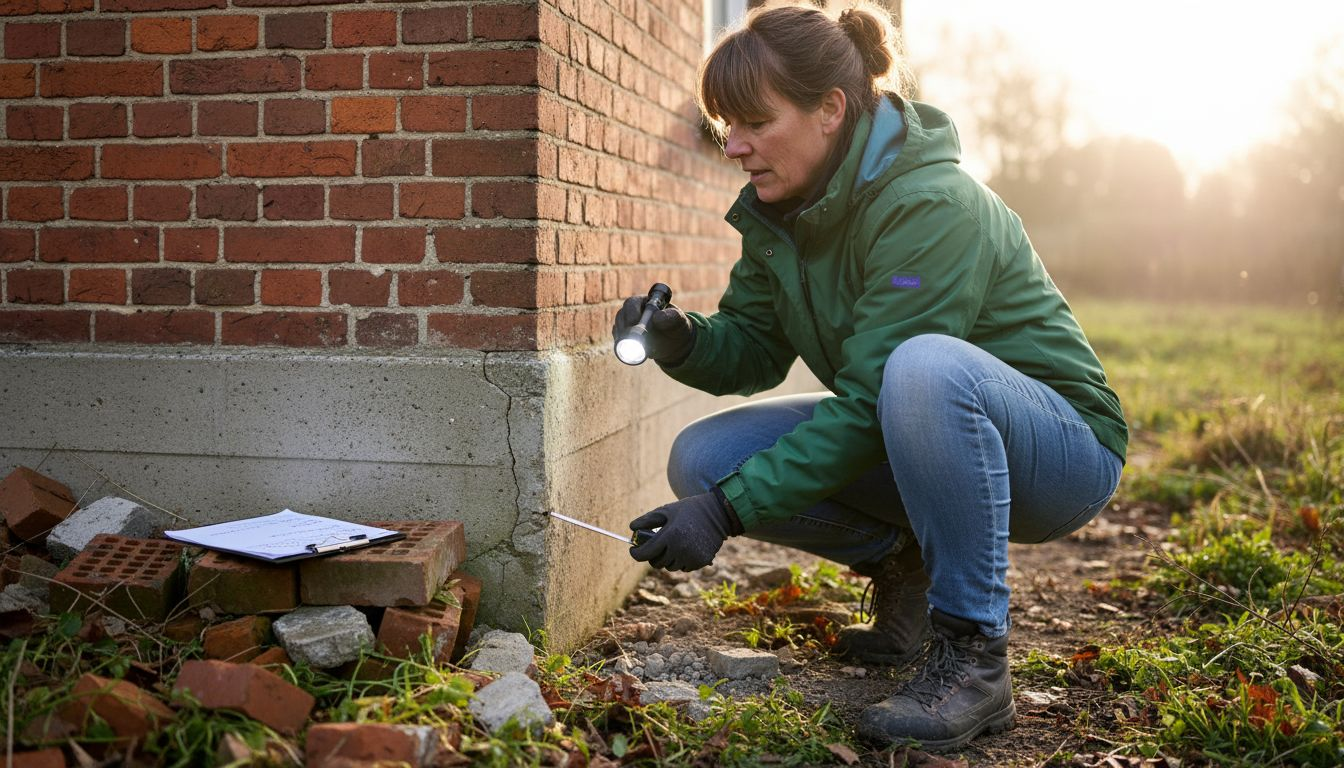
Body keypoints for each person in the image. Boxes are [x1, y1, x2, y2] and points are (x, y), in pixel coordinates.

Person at [611, 1, 1127, 752]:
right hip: (920, 419)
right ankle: (907, 571)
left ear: (830, 110)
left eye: (755, 122)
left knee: (921, 368)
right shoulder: (781, 209)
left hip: (1061, 454)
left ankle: (975, 658)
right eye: (726, 125)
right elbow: (754, 347)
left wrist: (724, 515)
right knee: (703, 458)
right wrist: (682, 337)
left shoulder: (933, 205)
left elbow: (870, 400)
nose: (735, 146)